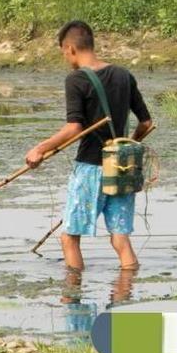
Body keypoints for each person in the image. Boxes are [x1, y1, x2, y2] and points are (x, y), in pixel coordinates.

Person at [25, 20, 152, 271]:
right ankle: (126, 293)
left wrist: (40, 149)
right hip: (123, 168)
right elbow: (146, 123)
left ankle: (74, 299)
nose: (65, 58)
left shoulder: (76, 80)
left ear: (70, 48)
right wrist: (126, 148)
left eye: (63, 52)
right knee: (120, 238)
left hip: (91, 168)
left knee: (69, 238)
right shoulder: (124, 75)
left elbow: (74, 128)